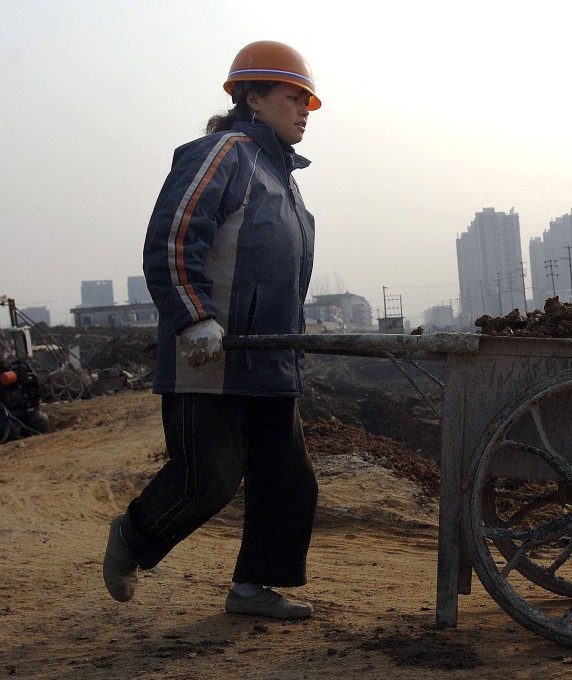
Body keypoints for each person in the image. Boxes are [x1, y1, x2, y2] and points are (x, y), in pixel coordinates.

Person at [103, 40, 321, 620]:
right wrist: (196, 317)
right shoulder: (223, 153)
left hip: (271, 360)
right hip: (211, 357)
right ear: (252, 96)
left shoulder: (283, 179)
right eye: (293, 95)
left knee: (290, 482)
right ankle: (134, 536)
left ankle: (252, 588)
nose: (305, 109)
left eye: (308, 100)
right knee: (209, 479)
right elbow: (173, 238)